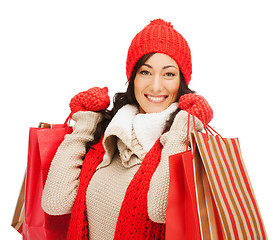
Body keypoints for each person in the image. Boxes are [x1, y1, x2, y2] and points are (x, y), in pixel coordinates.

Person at [42, 18, 213, 240]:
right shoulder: (108, 136)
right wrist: (85, 124)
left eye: (169, 74)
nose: (156, 86)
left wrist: (182, 130)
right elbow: (55, 202)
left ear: (181, 81)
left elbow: (161, 211)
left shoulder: (184, 142)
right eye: (145, 72)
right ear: (132, 77)